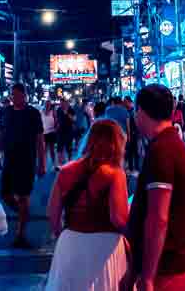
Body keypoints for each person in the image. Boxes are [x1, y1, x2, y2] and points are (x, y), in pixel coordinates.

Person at [126, 84, 185, 291]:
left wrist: (148, 275)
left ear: (140, 111)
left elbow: (158, 218)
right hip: (171, 265)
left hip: (167, 271)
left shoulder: (161, 151)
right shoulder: (168, 143)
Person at [45, 119, 130, 290]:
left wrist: (63, 234)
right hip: (105, 246)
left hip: (71, 241)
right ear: (116, 144)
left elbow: (52, 214)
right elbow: (119, 219)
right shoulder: (114, 174)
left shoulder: (66, 171)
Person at [0, 83, 47, 248]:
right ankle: (22, 213)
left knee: (24, 196)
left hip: (27, 160)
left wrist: (42, 163)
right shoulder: (6, 112)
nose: (15, 98)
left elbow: (40, 139)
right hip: (9, 159)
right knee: (5, 194)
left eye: (18, 94)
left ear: (25, 95)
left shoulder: (33, 113)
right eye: (12, 95)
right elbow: (1, 134)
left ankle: (20, 233)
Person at [56, 98, 76, 164]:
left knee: (69, 148)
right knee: (59, 148)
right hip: (60, 132)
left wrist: (67, 113)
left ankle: (69, 162)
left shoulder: (71, 110)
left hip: (68, 131)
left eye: (62, 103)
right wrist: (57, 125)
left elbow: (74, 119)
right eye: (60, 103)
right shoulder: (59, 110)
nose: (61, 105)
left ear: (66, 103)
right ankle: (60, 163)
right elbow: (57, 119)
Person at [42, 101, 60, 166]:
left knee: (52, 150)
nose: (47, 106)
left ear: (50, 106)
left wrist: (56, 128)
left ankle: (55, 164)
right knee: (44, 150)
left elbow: (57, 121)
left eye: (48, 105)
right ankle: (44, 165)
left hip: (51, 133)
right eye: (46, 104)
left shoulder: (53, 112)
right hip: (43, 133)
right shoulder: (41, 112)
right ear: (44, 105)